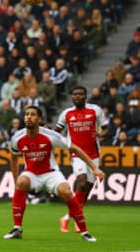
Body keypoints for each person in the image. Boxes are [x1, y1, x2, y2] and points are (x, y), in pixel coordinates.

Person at [3, 105, 105, 242]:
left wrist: (94, 168)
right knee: (21, 182)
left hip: (51, 173)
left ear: (39, 119)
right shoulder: (17, 137)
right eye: (27, 114)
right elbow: (13, 157)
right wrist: (16, 179)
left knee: (66, 191)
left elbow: (74, 148)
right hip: (31, 174)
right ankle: (17, 228)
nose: (28, 117)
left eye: (32, 114)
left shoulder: (50, 136)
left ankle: (84, 231)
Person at [55, 86, 108, 233]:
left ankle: (68, 217)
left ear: (86, 96)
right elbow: (57, 131)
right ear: (72, 97)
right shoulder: (66, 113)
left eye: (80, 94)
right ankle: (77, 219)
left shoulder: (95, 110)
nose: (77, 97)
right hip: (76, 154)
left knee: (87, 188)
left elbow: (106, 127)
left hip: (93, 153)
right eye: (75, 94)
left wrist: (102, 135)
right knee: (82, 181)